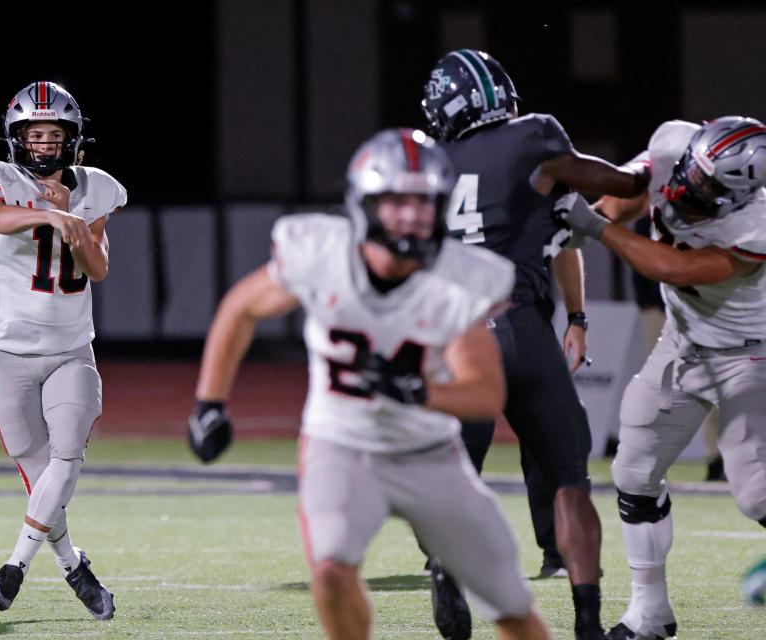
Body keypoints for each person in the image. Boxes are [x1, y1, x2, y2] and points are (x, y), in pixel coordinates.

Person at [188, 128, 552, 640]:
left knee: (512, 606)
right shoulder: (321, 251)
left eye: (423, 202)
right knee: (332, 570)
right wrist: (210, 402)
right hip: (340, 445)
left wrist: (417, 391)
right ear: (365, 204)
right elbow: (240, 307)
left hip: (429, 452)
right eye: (397, 201)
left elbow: (485, 393)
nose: (411, 215)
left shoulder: (461, 275)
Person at [419, 49, 651, 640]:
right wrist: (648, 173)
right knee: (571, 480)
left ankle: (447, 562)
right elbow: (615, 186)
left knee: (454, 480)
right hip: (522, 327)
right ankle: (588, 622)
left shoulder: (430, 164)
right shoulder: (533, 136)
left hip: (457, 339)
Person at [558, 115, 766, 639]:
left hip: (751, 352)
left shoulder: (757, 222)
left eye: (707, 187)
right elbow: (632, 192)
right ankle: (649, 612)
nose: (690, 186)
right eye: (693, 171)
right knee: (633, 468)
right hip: (684, 341)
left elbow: (675, 269)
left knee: (756, 491)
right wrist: (596, 211)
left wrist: (592, 225)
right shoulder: (675, 144)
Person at [0, 81, 127, 619]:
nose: (43, 144)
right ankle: (73, 564)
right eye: (33, 134)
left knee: (66, 458)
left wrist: (73, 220)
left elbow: (97, 268)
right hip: (8, 350)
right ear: (16, 139)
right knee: (39, 475)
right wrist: (48, 214)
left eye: (53, 134)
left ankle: (15, 565)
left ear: (73, 139)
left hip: (70, 349)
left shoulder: (96, 188)